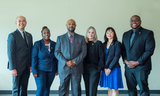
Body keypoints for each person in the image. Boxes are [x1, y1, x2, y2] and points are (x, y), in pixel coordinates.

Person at [122, 15, 155, 96]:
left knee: (143, 90)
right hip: (128, 67)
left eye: (136, 20)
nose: (134, 22)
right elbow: (123, 50)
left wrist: (137, 62)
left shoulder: (147, 33)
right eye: (131, 20)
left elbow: (149, 50)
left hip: (141, 67)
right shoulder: (125, 34)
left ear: (140, 21)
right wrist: (126, 61)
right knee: (131, 90)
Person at [54, 19, 87, 96]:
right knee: (63, 90)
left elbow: (84, 51)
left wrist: (74, 61)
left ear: (75, 26)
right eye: (69, 24)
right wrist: (66, 62)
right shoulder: (60, 38)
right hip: (64, 68)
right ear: (66, 25)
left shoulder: (81, 38)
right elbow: (57, 52)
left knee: (76, 90)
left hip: (77, 67)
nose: (71, 25)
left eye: (73, 24)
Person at [7, 16, 33, 96]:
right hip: (17, 67)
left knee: (24, 88)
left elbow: (30, 51)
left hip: (26, 67)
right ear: (16, 23)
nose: (21, 22)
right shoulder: (12, 35)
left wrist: (31, 65)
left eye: (23, 21)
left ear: (26, 23)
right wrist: (12, 68)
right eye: (19, 21)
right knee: (16, 88)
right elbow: (10, 53)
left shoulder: (29, 35)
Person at [31, 26, 58, 96]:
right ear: (42, 34)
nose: (46, 34)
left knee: (47, 88)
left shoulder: (54, 44)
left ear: (50, 34)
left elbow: (57, 58)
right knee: (41, 88)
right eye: (44, 33)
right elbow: (34, 57)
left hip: (51, 70)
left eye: (48, 33)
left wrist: (57, 70)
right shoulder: (37, 44)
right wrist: (34, 70)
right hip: (40, 70)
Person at [99, 27, 123, 96]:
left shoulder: (117, 44)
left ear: (114, 33)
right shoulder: (103, 44)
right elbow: (101, 57)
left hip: (114, 68)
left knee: (114, 88)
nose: (109, 34)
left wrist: (109, 68)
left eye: (111, 32)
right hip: (105, 69)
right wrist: (104, 68)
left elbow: (116, 57)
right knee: (109, 88)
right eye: (107, 32)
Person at [83, 26, 104, 96]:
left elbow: (102, 57)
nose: (90, 34)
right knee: (87, 87)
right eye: (89, 32)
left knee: (92, 88)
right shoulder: (83, 43)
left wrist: (99, 69)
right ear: (87, 33)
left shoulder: (98, 43)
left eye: (92, 32)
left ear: (95, 34)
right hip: (85, 68)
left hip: (94, 68)